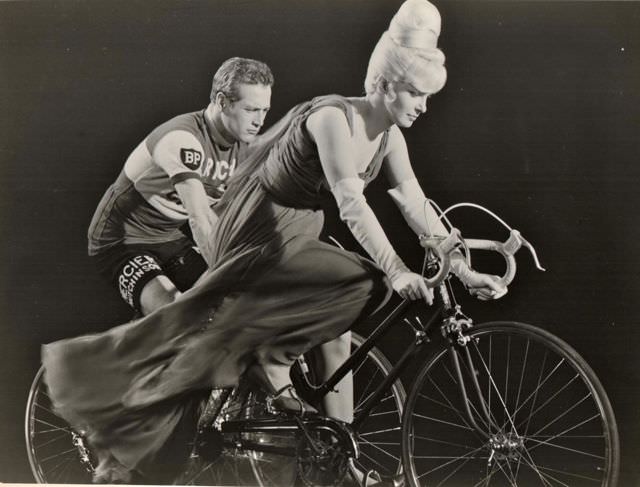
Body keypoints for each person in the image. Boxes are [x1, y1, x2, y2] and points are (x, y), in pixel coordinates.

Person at [42, 0, 507, 484]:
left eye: (265, 109)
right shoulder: (299, 122)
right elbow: (336, 204)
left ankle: (334, 458)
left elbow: (413, 201)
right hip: (154, 238)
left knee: (338, 329)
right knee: (193, 322)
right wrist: (394, 268)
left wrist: (460, 265)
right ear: (385, 84)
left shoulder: (386, 137)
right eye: (415, 92)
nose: (423, 105)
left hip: (281, 231)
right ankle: (130, 446)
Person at [88, 57, 273, 316]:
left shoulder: (245, 145)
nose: (259, 120)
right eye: (251, 110)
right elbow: (200, 220)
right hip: (121, 240)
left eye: (265, 110)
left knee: (224, 308)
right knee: (179, 317)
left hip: (170, 239)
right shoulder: (182, 139)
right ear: (222, 101)